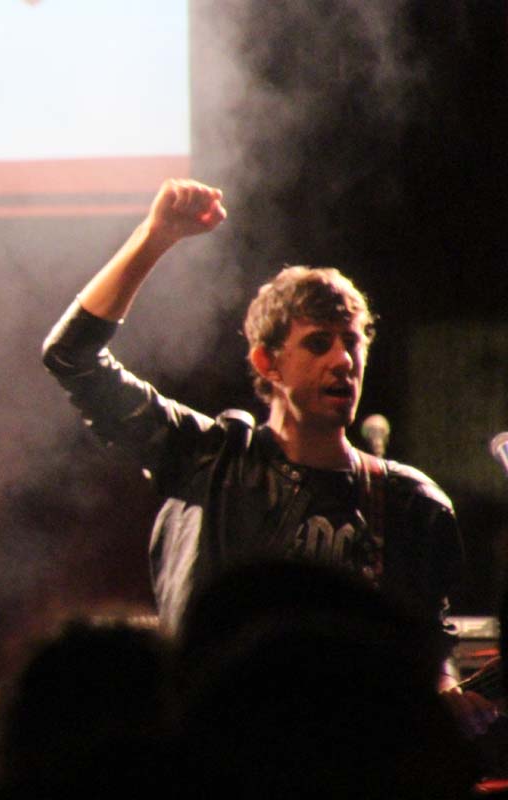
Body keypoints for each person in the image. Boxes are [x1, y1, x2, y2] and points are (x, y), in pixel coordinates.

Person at [41, 179, 496, 731]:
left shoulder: (411, 502)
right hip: (217, 750)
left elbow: (428, 644)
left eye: (352, 342)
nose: (343, 360)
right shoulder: (209, 458)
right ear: (267, 363)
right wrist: (155, 236)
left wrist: (443, 689)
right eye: (318, 342)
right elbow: (72, 356)